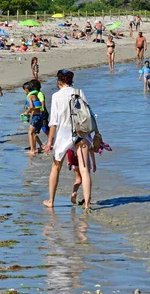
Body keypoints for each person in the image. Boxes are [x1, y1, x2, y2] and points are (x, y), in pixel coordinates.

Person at [44, 69, 95, 210]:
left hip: (63, 134)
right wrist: (97, 134)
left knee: (56, 167)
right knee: (84, 170)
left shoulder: (56, 96)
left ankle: (51, 201)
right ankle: (86, 204)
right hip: (81, 133)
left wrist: (49, 142)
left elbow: (53, 122)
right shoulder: (79, 92)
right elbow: (89, 115)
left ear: (59, 81)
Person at [23, 81, 43, 155]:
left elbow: (31, 107)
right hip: (39, 115)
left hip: (36, 116)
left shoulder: (29, 96)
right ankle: (41, 146)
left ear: (27, 90)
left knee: (30, 132)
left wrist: (26, 112)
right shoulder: (35, 95)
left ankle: (32, 150)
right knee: (34, 133)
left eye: (24, 90)